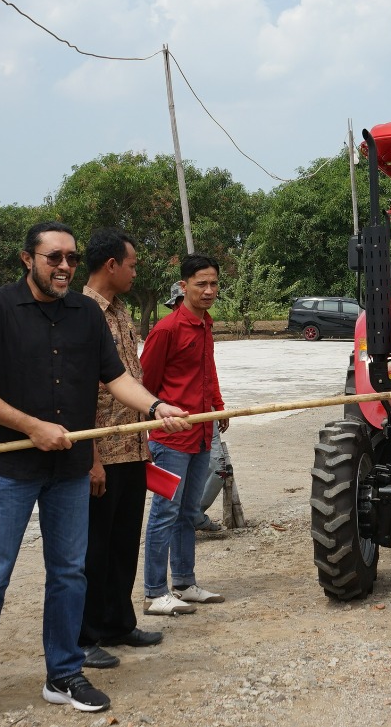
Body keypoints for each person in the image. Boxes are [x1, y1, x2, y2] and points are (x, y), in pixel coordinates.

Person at [0, 221, 189, 725]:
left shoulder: (84, 314)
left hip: (70, 469)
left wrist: (156, 407)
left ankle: (63, 672)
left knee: (69, 573)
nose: (64, 267)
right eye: (53, 257)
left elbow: (117, 377)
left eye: (71, 259)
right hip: (11, 467)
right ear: (27, 259)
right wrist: (32, 426)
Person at [77, 230, 163, 672]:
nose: (134, 271)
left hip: (132, 446)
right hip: (101, 455)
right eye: (131, 264)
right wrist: (90, 457)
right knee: (93, 549)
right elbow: (80, 395)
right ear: (111, 264)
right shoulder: (80, 313)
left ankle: (117, 622)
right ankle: (85, 635)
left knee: (124, 543)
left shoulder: (122, 311)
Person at [141, 254, 229, 617]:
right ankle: (154, 591)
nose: (208, 291)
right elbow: (145, 386)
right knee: (164, 511)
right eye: (200, 284)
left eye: (213, 284)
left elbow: (206, 369)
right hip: (170, 439)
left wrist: (218, 405)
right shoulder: (167, 329)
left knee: (188, 512)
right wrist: (157, 418)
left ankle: (184, 582)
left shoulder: (205, 324)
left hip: (201, 432)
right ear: (183, 286)